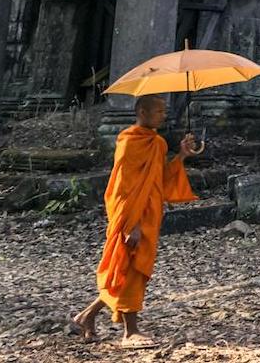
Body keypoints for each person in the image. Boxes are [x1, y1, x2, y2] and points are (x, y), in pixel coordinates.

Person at [69, 94, 203, 347]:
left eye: (164, 111)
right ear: (142, 112)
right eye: (159, 111)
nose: (164, 115)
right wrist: (132, 224)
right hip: (132, 216)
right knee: (129, 269)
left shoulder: (159, 143)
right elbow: (123, 188)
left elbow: (159, 179)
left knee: (130, 271)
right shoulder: (129, 142)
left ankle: (86, 316)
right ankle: (130, 332)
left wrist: (182, 155)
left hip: (150, 214)